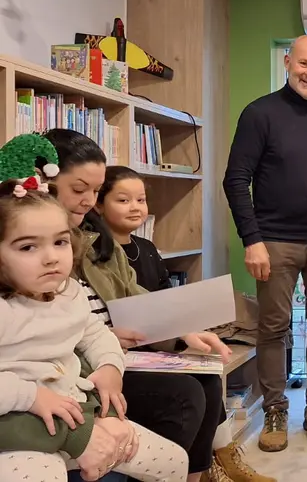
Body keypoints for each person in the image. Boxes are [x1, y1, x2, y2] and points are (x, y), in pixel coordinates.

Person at [33, 128, 251, 482]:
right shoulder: (37, 248)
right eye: (79, 190)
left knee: (206, 376)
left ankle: (201, 474)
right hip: (85, 365)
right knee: (183, 396)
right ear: (45, 179)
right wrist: (107, 340)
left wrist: (182, 334)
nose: (88, 201)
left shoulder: (96, 238)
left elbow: (134, 297)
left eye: (94, 190)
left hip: (118, 352)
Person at [0, 133, 188, 482]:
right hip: (23, 426)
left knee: (173, 460)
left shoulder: (67, 291)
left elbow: (94, 331)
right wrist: (29, 396)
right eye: (28, 247)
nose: (50, 257)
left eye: (59, 242)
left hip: (82, 413)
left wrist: (110, 365)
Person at [95, 165, 276, 482]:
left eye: (141, 199)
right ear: (98, 204)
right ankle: (200, 469)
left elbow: (165, 298)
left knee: (206, 374)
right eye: (123, 200)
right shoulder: (97, 252)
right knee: (190, 389)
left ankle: (208, 468)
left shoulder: (147, 249)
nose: (135, 207)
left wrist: (188, 330)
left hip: (159, 345)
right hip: (123, 351)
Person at [223, 34, 307, 453]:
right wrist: (252, 240)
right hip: (273, 241)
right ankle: (276, 409)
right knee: (274, 328)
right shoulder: (260, 113)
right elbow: (236, 179)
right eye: (305, 64)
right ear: (287, 63)